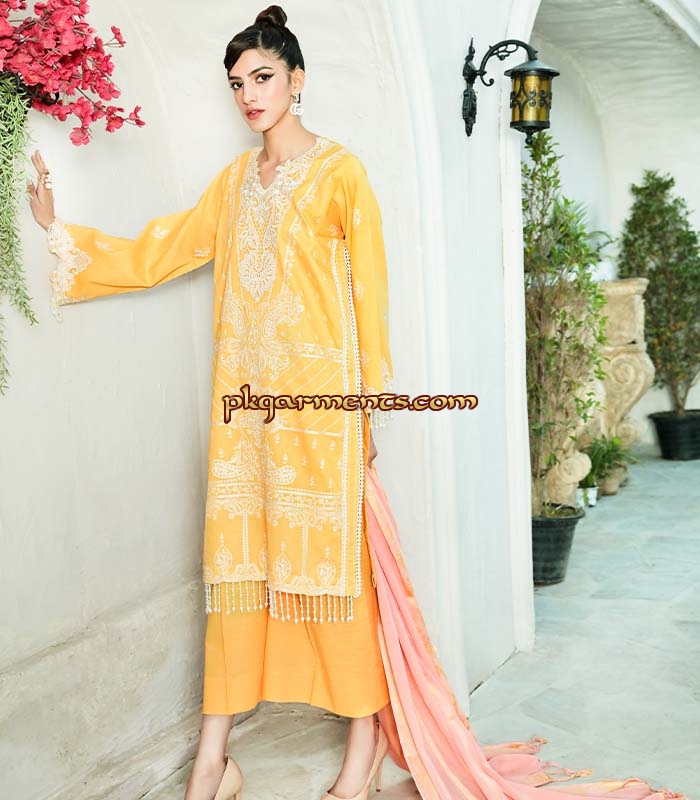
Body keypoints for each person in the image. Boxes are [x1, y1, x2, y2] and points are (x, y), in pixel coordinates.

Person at [28, 6, 689, 800]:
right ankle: (215, 760)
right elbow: (164, 249)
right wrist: (62, 234)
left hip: (321, 418)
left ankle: (364, 747)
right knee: (237, 578)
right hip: (245, 421)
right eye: (236, 83)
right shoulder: (233, 184)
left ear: (297, 79)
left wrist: (366, 410)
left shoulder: (341, 173)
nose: (249, 95)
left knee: (336, 585)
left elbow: (370, 299)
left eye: (262, 77)